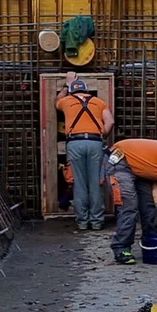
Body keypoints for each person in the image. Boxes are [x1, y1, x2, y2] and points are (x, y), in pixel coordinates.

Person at [56, 76, 111, 231]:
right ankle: (97, 222)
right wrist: (101, 135)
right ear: (87, 90)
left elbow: (56, 101)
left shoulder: (66, 101)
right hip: (95, 142)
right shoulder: (99, 102)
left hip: (75, 142)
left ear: (72, 91)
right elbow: (110, 121)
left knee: (79, 183)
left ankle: (82, 222)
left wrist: (66, 85)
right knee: (95, 183)